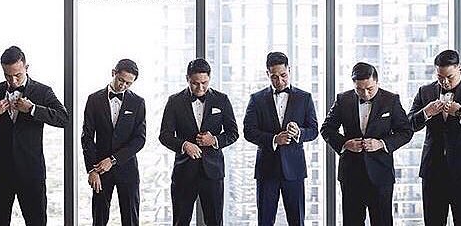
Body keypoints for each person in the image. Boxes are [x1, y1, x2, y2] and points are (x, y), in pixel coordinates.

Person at [0, 45, 68, 226]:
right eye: (7, 75)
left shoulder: (43, 92)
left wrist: (33, 109)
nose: (12, 81)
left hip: (31, 174)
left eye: (17, 75)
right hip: (0, 173)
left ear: (26, 68)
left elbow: (63, 118)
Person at [407, 49, 461, 226]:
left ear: (459, 70)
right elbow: (408, 124)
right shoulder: (425, 92)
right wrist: (426, 112)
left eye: (449, 77)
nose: (445, 82)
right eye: (440, 77)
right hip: (433, 170)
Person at [320, 61, 412, 226]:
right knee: (352, 221)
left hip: (381, 174)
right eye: (360, 90)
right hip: (351, 174)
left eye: (369, 88)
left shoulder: (391, 100)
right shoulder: (343, 99)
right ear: (354, 85)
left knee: (382, 221)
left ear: (376, 81)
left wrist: (381, 143)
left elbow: (406, 132)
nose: (365, 94)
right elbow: (326, 129)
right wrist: (345, 144)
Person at [159, 58, 238, 226]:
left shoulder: (222, 99)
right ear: (187, 78)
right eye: (195, 83)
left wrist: (214, 140)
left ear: (209, 78)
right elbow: (164, 135)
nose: (200, 88)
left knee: (215, 222)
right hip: (184, 172)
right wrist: (184, 145)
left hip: (213, 172)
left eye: (204, 83)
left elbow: (233, 133)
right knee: (181, 221)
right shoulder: (174, 101)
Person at [243, 51, 319, 226]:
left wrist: (298, 132)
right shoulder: (256, 99)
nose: (280, 81)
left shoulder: (304, 98)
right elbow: (248, 131)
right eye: (274, 77)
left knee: (297, 221)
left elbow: (314, 130)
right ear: (267, 74)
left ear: (289, 70)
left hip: (294, 170)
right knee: (264, 220)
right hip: (266, 169)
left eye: (283, 75)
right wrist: (274, 139)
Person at [81, 58, 146, 226]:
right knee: (99, 219)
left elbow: (140, 139)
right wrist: (92, 170)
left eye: (128, 83)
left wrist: (113, 160)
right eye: (121, 80)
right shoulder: (93, 99)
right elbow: (87, 137)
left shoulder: (138, 102)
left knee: (131, 220)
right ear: (113, 73)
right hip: (100, 169)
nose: (123, 85)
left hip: (127, 169)